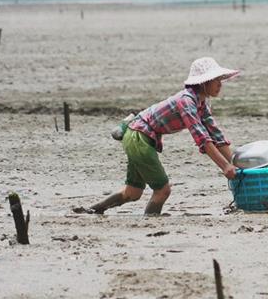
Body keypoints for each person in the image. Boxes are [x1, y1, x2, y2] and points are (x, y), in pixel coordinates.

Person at [74, 57, 239, 215]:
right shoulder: (186, 101)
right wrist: (224, 167)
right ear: (203, 82)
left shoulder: (201, 104)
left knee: (133, 192)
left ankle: (92, 210)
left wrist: (237, 164)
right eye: (216, 80)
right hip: (138, 136)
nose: (220, 84)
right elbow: (202, 138)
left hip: (140, 135)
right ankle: (151, 222)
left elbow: (216, 136)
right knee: (162, 190)